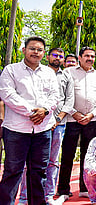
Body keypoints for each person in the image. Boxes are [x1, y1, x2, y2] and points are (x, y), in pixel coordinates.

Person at [0, 36, 60, 205]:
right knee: (12, 171)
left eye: (40, 50)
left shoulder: (49, 73)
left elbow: (55, 95)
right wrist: (32, 113)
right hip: (16, 130)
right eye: (32, 48)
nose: (36, 52)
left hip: (42, 131)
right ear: (24, 50)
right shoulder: (11, 70)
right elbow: (8, 94)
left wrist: (45, 110)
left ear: (44, 54)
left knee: (39, 172)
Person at [17, 47, 74, 204]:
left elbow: (69, 100)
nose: (57, 58)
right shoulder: (38, 73)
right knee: (30, 162)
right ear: (47, 57)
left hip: (58, 125)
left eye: (60, 56)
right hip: (37, 123)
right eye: (54, 55)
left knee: (53, 161)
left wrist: (58, 119)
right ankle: (24, 197)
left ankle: (48, 195)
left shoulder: (67, 76)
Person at [58, 46, 96, 199]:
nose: (90, 59)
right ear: (79, 58)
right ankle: (63, 189)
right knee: (68, 154)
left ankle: (85, 188)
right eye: (86, 56)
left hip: (92, 120)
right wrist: (75, 113)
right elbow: (64, 95)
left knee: (88, 156)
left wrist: (92, 114)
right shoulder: (69, 72)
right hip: (72, 119)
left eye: (92, 56)